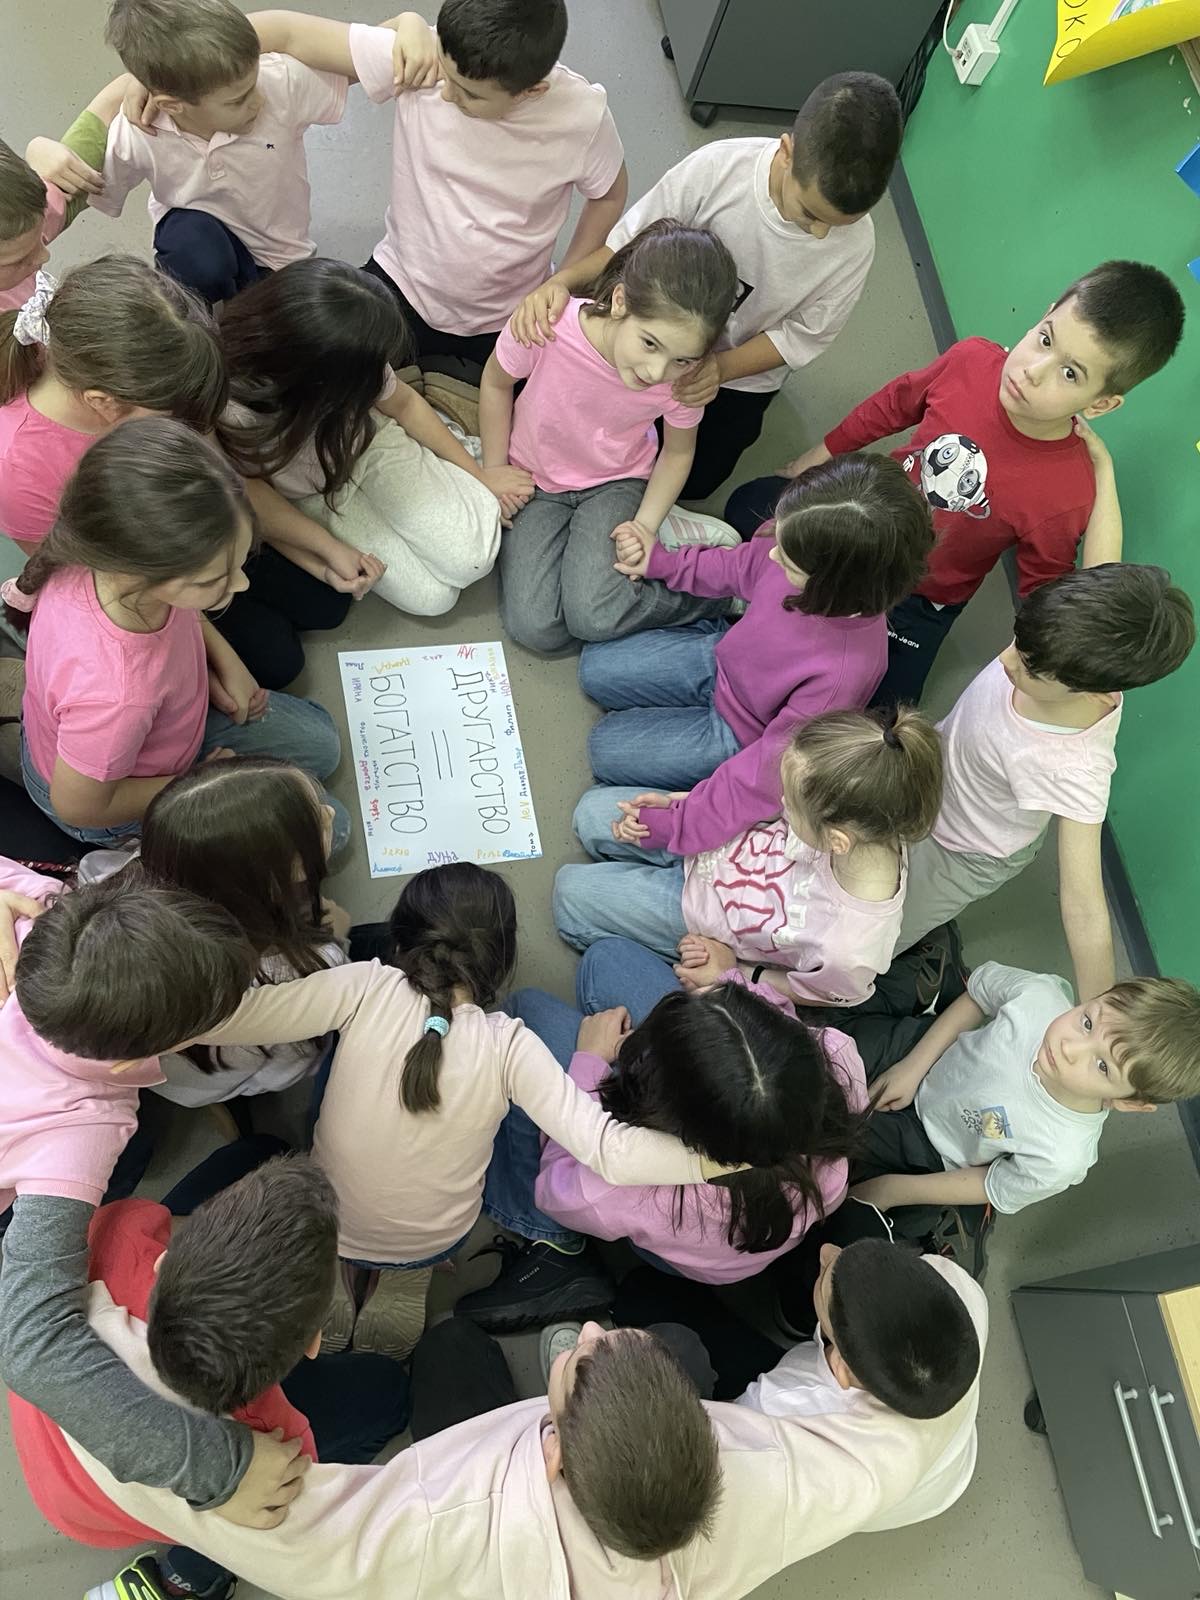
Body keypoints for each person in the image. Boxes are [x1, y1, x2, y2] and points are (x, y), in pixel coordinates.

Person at [27, 1294, 990, 1600]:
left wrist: (220, 1474)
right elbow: (914, 1455)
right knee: (688, 1339)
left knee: (447, 1347)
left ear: (554, 1455)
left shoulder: (442, 1523)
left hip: (468, 1537)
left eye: (577, 1364)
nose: (594, 1332)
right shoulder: (767, 1491)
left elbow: (286, 1534)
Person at [192, 863, 742, 1361]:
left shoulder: (363, 985)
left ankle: (337, 1274)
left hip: (326, 1227)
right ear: (501, 963)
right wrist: (725, 1158)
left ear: (400, 941)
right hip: (433, 1237)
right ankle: (409, 1274)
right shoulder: (510, 1044)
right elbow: (610, 1150)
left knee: (337, 1064)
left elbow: (243, 1017)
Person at [727, 260, 1186, 705]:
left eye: (1070, 374)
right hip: (864, 519)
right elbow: (892, 405)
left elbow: (1042, 591)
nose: (1033, 371)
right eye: (1045, 339)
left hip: (921, 597)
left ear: (1101, 404)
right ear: (1044, 315)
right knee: (746, 506)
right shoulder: (971, 359)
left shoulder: (1068, 493)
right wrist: (814, 459)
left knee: (884, 710)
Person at [11, 1152, 410, 1600]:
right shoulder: (274, 1435)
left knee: (259, 1147)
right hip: (122, 1503)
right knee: (388, 1391)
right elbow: (285, 1506)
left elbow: (143, 1220)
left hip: (60, 1481)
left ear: (164, 1263)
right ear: (313, 1343)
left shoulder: (119, 1230)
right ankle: (187, 1577)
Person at [510, 72, 901, 500]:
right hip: (656, 334)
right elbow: (627, 246)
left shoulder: (856, 246)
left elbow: (800, 336)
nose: (822, 233)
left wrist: (720, 368)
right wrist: (562, 282)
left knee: (695, 481)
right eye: (810, 213)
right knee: (553, 412)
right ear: (786, 153)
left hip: (737, 374)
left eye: (840, 224)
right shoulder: (717, 169)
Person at [0, 253, 348, 688]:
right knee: (280, 661)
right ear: (104, 403)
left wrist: (322, 546)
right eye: (172, 417)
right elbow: (101, 582)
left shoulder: (147, 389)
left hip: (201, 531)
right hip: (152, 572)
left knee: (328, 604)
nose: (185, 428)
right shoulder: (19, 469)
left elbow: (223, 481)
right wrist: (214, 655)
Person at [453, 970, 867, 1329]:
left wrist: (589, 1061)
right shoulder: (839, 1055)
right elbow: (770, 1046)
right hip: (744, 1235)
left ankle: (552, 1242)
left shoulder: (633, 1186)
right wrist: (732, 978)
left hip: (670, 1234)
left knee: (526, 1015)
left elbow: (557, 1188)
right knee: (605, 962)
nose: (704, 992)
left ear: (664, 1104)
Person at [10, 417, 351, 849]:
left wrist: (224, 662)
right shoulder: (118, 694)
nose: (242, 583)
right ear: (147, 572)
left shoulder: (107, 557)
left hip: (165, 728)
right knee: (333, 829)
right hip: (116, 797)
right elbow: (79, 806)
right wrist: (199, 780)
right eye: (216, 578)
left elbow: (179, 614)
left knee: (324, 744)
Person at [581, 452, 932, 856]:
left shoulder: (847, 671)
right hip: (721, 661)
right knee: (595, 668)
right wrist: (663, 563)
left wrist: (679, 824)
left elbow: (769, 771)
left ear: (831, 586)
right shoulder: (796, 542)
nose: (772, 555)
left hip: (737, 734)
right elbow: (739, 566)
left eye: (790, 561)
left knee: (604, 749)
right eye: (779, 539)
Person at [245, 2, 628, 366]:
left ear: (533, 90)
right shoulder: (423, 56)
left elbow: (609, 195)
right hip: (403, 284)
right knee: (319, 366)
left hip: (508, 312)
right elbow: (288, 32)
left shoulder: (582, 116)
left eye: (469, 94)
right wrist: (404, 23)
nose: (445, 92)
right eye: (447, 72)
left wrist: (563, 282)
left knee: (553, 394)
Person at [898, 563, 1195, 1002]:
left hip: (961, 851)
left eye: (1030, 668)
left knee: (887, 924)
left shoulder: (1077, 767)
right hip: (931, 773)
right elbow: (1102, 552)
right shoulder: (1067, 638)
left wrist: (1098, 1017)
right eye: (1018, 641)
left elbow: (1084, 906)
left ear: (1093, 690)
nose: (1006, 659)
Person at [555, 707, 943, 1011]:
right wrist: (686, 805)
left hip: (700, 918)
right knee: (591, 814)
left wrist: (734, 973)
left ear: (836, 841)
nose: (783, 804)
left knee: (569, 896)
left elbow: (814, 992)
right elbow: (755, 809)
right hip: (714, 842)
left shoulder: (851, 951)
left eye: (792, 806)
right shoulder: (866, 818)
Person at [487, 220, 740, 654]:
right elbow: (495, 383)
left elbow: (678, 453)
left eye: (682, 359)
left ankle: (718, 592)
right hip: (536, 480)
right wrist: (494, 470)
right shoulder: (547, 326)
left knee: (594, 616)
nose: (656, 372)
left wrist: (644, 525)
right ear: (620, 301)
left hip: (616, 482)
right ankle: (648, 552)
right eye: (649, 343)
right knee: (536, 629)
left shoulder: (684, 381)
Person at [217, 259, 512, 616]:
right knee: (433, 600)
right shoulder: (230, 404)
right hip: (310, 495)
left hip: (369, 444)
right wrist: (325, 554)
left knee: (475, 557)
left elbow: (403, 403)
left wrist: (479, 476)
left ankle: (454, 445)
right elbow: (249, 495)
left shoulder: (345, 349)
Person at [82, 757, 350, 1111]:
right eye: (317, 821)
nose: (329, 813)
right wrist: (338, 935)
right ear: (274, 880)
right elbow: (287, 1070)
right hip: (212, 1075)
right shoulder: (302, 972)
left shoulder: (133, 872)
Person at [851, 962, 1200, 1221]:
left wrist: (891, 1189)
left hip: (933, 1150)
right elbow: (979, 994)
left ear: (1130, 1103)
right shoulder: (1039, 996)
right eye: (1087, 1022)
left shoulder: (1064, 1156)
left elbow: (992, 1184)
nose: (1069, 1047)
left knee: (841, 1161)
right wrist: (912, 1068)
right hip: (926, 1052)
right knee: (835, 1050)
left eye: (1102, 1066)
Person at [95, 0, 349, 306]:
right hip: (197, 232)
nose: (258, 101)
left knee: (293, 317)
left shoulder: (280, 82)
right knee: (194, 263)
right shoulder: (137, 130)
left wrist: (401, 32)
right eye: (238, 100)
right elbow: (87, 185)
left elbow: (365, 60)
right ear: (172, 105)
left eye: (254, 83)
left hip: (279, 250)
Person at [0, 77, 128, 311]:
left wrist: (46, 154)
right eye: (19, 260)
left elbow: (121, 93)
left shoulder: (19, 218)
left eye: (39, 240)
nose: (44, 257)